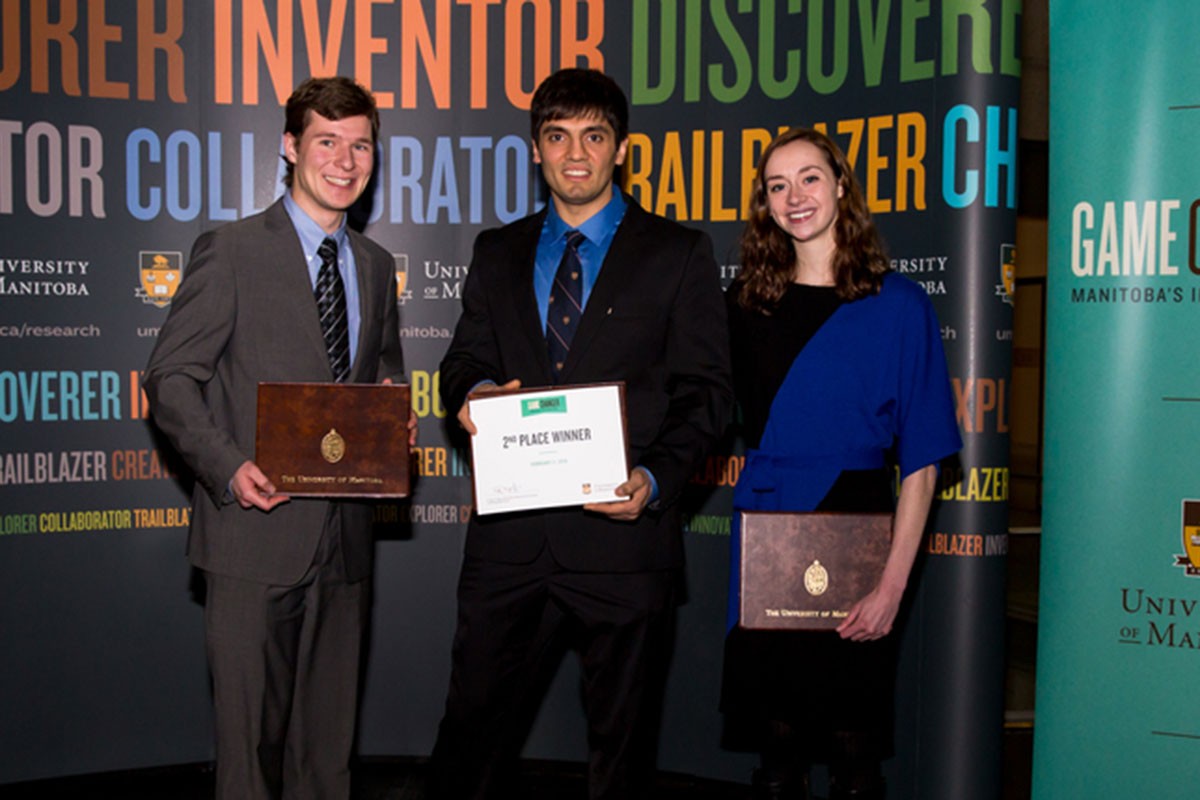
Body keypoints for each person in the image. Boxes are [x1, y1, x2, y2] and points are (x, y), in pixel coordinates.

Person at [429, 68, 733, 800]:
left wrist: (655, 480)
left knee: (620, 758)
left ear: (620, 149)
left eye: (593, 136)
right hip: (510, 542)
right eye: (557, 135)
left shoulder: (677, 252)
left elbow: (709, 396)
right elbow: (464, 361)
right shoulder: (496, 251)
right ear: (535, 150)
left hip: (623, 545)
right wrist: (472, 397)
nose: (575, 153)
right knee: (470, 741)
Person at [144, 77, 413, 799]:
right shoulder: (230, 250)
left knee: (326, 759)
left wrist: (392, 412)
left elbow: (383, 371)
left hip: (346, 542)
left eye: (361, 146)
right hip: (251, 536)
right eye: (327, 142)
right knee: (248, 760)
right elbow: (170, 378)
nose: (346, 161)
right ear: (291, 147)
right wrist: (228, 468)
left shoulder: (376, 267)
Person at [720, 127, 962, 800]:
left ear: (841, 186)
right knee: (777, 758)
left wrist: (891, 586)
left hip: (858, 541)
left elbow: (923, 462)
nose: (794, 196)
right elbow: (692, 405)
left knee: (855, 763)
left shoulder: (901, 306)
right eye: (777, 185)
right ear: (764, 204)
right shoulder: (743, 306)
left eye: (810, 178)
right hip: (770, 534)